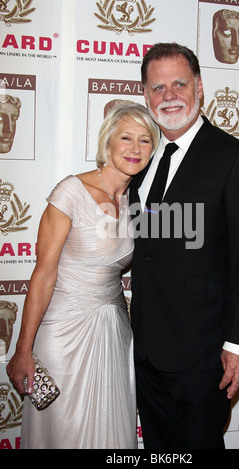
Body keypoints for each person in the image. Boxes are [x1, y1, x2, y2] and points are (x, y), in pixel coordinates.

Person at [129, 43, 239, 449]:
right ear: (145, 95)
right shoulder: (142, 161)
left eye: (179, 83)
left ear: (200, 87)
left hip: (204, 352)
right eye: (158, 87)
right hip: (146, 347)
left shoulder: (233, 159)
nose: (169, 95)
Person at [6, 102, 160, 449]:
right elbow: (43, 276)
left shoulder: (137, 200)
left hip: (115, 334)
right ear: (108, 144)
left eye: (145, 140)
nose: (135, 148)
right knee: (63, 433)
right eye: (126, 138)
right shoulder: (70, 193)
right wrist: (23, 349)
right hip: (63, 335)